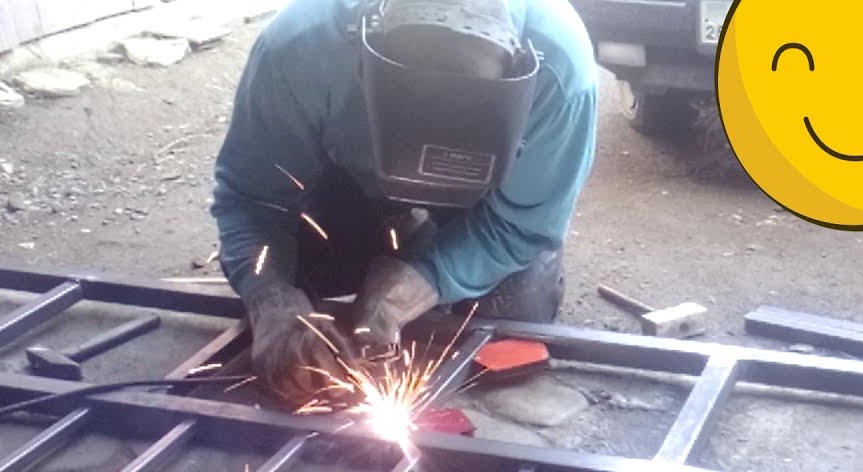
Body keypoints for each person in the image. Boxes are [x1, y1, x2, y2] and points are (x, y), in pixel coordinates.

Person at [211, 0, 598, 403]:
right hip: (353, 184)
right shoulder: (301, 47)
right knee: (309, 274)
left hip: (483, 203)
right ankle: (401, 239)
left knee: (513, 313)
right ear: (364, 64)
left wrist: (422, 282)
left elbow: (519, 225)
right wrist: (270, 297)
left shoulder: (561, 75)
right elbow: (253, 198)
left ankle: (427, 249)